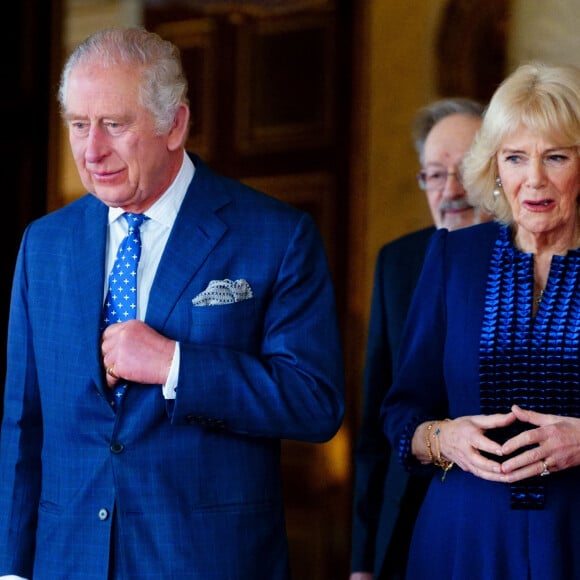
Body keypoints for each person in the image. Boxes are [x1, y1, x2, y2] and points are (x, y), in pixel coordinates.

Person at [0, 27, 345, 579]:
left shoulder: (276, 235)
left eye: (114, 125)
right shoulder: (44, 244)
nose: (92, 150)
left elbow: (314, 402)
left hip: (205, 560)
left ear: (174, 124)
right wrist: (13, 570)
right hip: (66, 561)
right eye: (79, 125)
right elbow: (23, 423)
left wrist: (174, 365)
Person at [381, 61, 580, 579]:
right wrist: (444, 439)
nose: (533, 179)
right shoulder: (453, 257)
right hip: (461, 544)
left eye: (555, 157)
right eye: (515, 158)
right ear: (495, 168)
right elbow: (403, 410)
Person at [349, 98, 487, 580]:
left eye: (466, 168)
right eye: (434, 173)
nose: (451, 190)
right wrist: (362, 559)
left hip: (493, 520)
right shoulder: (399, 262)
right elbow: (375, 421)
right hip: (404, 516)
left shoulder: (541, 262)